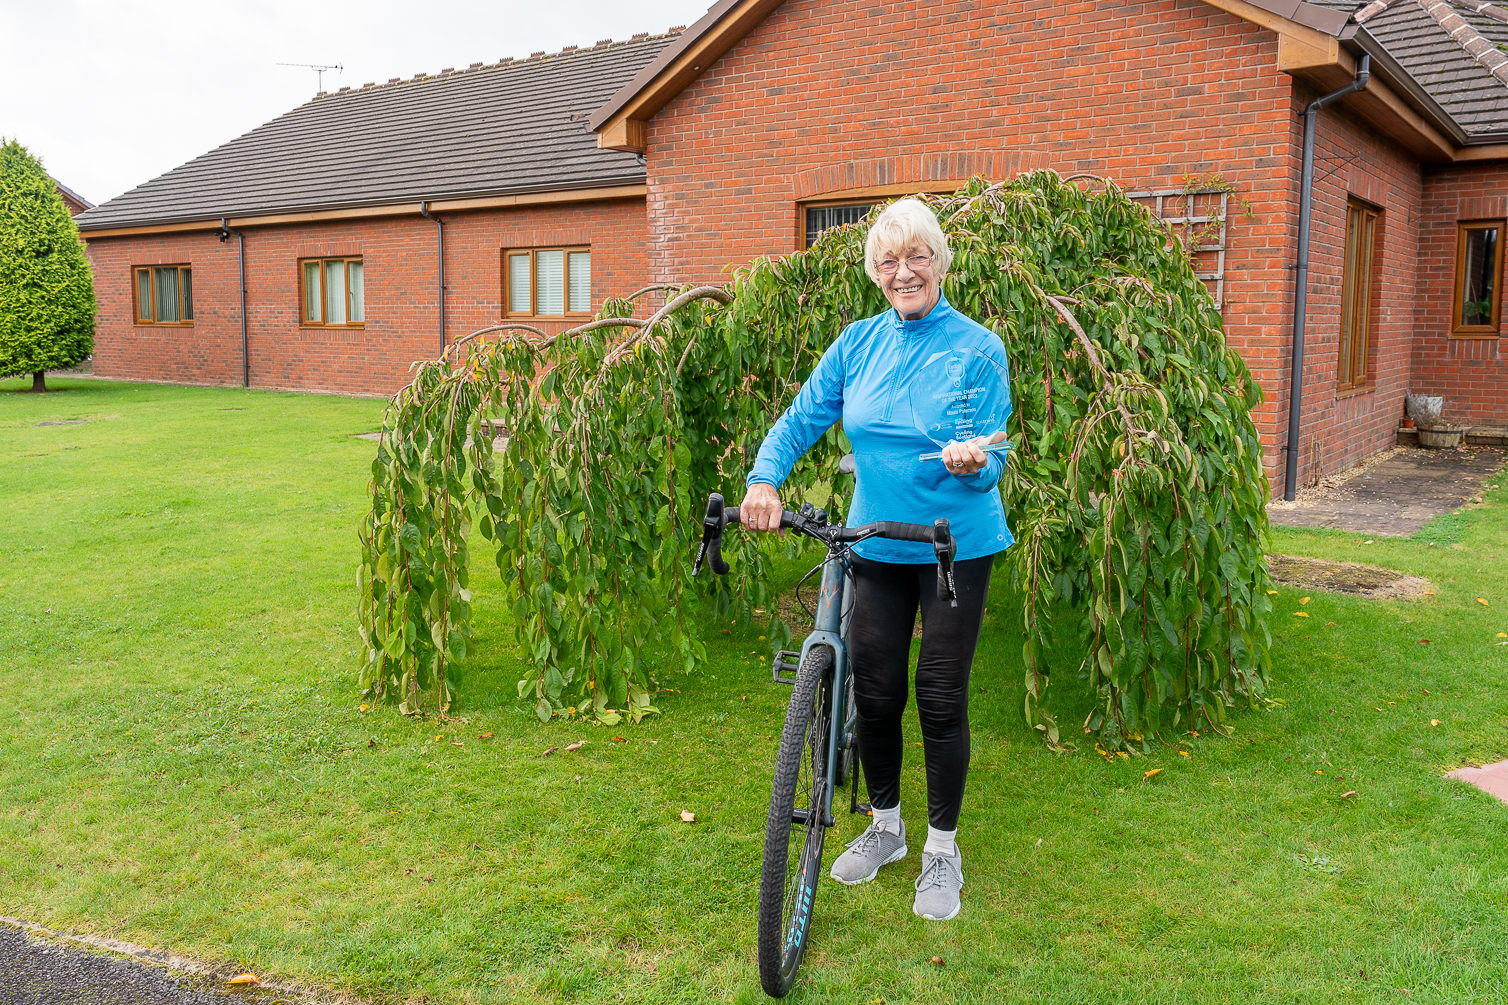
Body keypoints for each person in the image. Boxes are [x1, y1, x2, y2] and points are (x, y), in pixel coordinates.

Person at [741, 198, 1012, 922]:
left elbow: (995, 452)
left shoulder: (978, 347)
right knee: (880, 690)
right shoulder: (857, 343)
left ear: (939, 261)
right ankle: (887, 827)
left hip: (954, 545)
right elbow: (802, 416)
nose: (903, 272)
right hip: (876, 540)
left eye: (916, 256)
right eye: (889, 260)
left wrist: (972, 461)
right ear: (875, 272)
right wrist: (763, 478)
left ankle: (942, 848)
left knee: (941, 693)